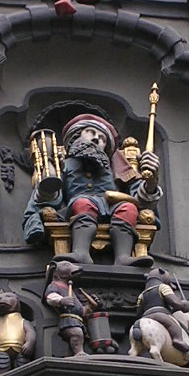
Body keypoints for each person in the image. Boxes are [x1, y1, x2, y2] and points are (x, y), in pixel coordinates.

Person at [23, 112, 161, 267]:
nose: (96, 139)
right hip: (80, 205)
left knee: (128, 208)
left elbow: (141, 199)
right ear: (76, 137)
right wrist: (49, 187)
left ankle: (123, 256)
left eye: (102, 138)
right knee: (83, 204)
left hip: (113, 204)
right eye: (90, 132)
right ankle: (81, 252)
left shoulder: (116, 169)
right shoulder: (65, 165)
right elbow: (54, 197)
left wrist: (151, 182)